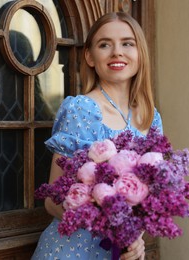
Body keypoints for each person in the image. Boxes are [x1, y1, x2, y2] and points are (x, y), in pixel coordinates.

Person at [32, 11, 163, 260]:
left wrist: (135, 237)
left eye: (127, 43)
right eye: (105, 44)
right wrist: (112, 227)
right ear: (90, 57)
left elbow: (148, 201)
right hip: (70, 252)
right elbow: (52, 202)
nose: (117, 52)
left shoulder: (151, 117)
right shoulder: (82, 109)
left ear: (140, 54)